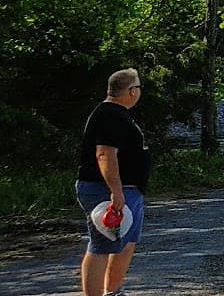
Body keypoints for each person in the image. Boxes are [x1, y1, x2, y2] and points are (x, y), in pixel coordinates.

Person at [76, 68, 149, 296]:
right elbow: (105, 154)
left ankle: (114, 291)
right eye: (138, 87)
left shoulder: (118, 114)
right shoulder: (110, 114)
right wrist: (116, 192)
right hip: (106, 190)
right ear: (131, 91)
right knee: (101, 245)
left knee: (126, 243)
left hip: (128, 190)